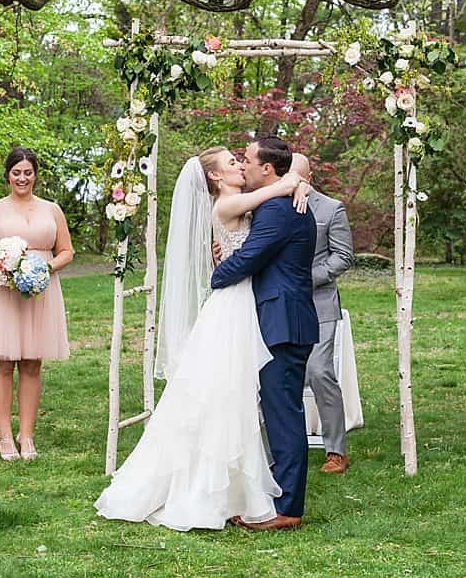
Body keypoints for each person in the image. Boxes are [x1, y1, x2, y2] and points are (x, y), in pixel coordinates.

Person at [95, 149, 310, 530]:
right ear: (214, 177)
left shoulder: (264, 204)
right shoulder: (234, 204)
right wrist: (292, 181)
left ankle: (252, 494)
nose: (240, 165)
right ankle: (219, 488)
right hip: (234, 304)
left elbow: (294, 163)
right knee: (226, 398)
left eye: (243, 160)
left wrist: (296, 178)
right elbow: (244, 251)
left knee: (242, 400)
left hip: (253, 308)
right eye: (232, 163)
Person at [205, 138, 320, 531]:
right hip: (279, 318)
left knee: (284, 414)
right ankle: (275, 497)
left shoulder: (276, 209)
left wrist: (216, 277)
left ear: (268, 170)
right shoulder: (279, 202)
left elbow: (252, 256)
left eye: (249, 160)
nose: (245, 166)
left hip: (282, 322)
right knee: (277, 412)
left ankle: (288, 509)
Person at [0, 148, 75, 461]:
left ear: (35, 174)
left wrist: (46, 269)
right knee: (3, 362)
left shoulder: (52, 210)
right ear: (8, 175)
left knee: (31, 363)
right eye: (16, 173)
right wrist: (4, 274)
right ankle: (3, 435)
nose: (22, 178)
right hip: (3, 292)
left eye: (27, 172)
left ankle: (26, 434)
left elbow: (66, 250)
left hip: (40, 291)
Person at [302, 179, 356, 474]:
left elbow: (343, 256)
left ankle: (336, 450)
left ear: (307, 177)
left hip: (319, 302)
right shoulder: (267, 205)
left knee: (320, 370)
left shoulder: (331, 208)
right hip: (279, 304)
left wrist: (304, 278)